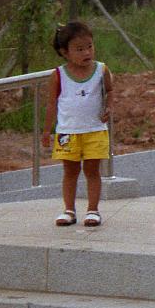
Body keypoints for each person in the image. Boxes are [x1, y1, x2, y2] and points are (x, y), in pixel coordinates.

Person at [46, 22, 113, 227]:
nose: (87, 52)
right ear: (64, 52)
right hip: (67, 132)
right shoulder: (58, 75)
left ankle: (93, 210)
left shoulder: (102, 70)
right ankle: (69, 209)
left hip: (94, 130)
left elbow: (110, 91)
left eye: (90, 46)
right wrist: (47, 130)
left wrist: (109, 108)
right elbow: (52, 104)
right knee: (70, 171)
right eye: (80, 49)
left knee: (92, 170)